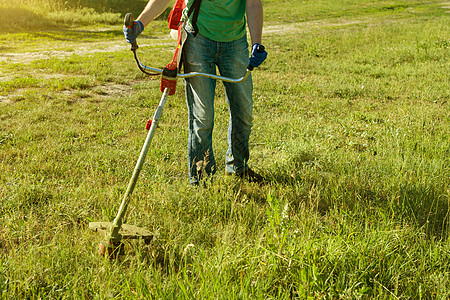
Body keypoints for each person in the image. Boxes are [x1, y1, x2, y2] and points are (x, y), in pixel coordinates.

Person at [124, 0, 268, 185]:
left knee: (243, 112)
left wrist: (257, 43)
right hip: (197, 39)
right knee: (203, 116)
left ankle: (238, 168)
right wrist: (141, 23)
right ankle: (202, 179)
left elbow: (253, 3)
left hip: (234, 42)